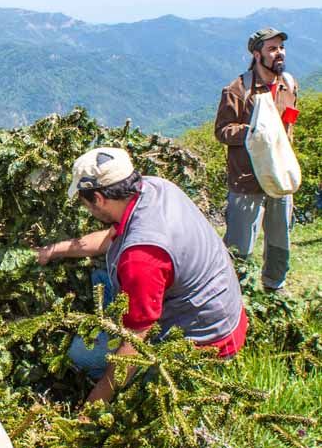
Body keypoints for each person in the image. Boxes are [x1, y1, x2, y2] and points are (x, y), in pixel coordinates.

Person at [36, 148, 247, 404]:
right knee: (101, 276)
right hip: (222, 308)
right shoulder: (156, 188)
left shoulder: (141, 258)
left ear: (99, 198)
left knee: (79, 353)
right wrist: (52, 251)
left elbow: (134, 344)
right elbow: (110, 238)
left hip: (205, 343)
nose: (85, 208)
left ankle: (146, 381)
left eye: (84, 201)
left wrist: (92, 407)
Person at [214, 27, 298, 292]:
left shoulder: (289, 85)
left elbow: (288, 128)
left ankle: (275, 286)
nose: (279, 53)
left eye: (281, 48)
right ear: (257, 53)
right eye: (272, 49)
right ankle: (233, 290)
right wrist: (254, 132)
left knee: (279, 237)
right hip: (247, 180)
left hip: (279, 176)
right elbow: (222, 131)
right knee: (240, 245)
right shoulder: (238, 89)